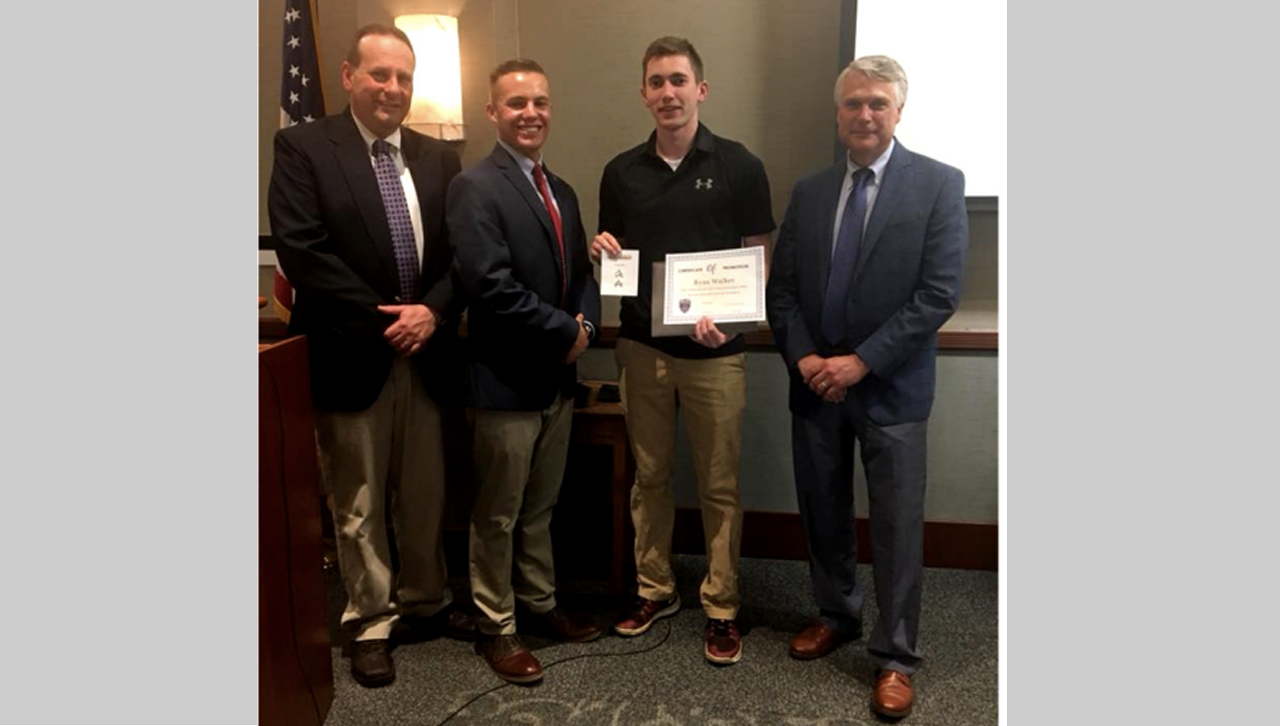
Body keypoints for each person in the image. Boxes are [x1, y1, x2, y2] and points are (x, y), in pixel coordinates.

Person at [268, 24, 476, 688]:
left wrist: (434, 312)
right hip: (350, 351)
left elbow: (459, 255)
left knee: (424, 490)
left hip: (428, 350)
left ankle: (424, 602)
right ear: (350, 74)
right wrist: (388, 319)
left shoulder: (439, 156)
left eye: (404, 79)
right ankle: (372, 619)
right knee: (355, 499)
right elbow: (303, 250)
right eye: (380, 74)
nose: (392, 89)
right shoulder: (303, 146)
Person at [765, 55, 968, 719]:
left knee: (897, 527)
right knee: (823, 512)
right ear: (838, 112)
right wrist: (804, 361)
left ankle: (896, 655)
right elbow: (785, 290)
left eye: (878, 103)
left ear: (899, 111)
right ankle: (837, 613)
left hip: (891, 389)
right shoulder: (812, 190)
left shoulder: (939, 184)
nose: (864, 115)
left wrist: (859, 362)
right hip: (814, 385)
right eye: (853, 103)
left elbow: (937, 294)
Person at [591, 36, 775, 666]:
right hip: (642, 349)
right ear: (643, 94)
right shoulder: (620, 172)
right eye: (656, 82)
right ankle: (655, 589)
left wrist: (734, 319)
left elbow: (759, 257)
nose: (667, 93)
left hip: (717, 356)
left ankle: (722, 604)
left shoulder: (740, 165)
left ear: (701, 89)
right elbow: (616, 255)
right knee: (649, 479)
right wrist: (603, 256)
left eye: (679, 80)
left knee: (720, 485)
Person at [448, 59, 604, 685]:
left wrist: (587, 327)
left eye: (540, 100)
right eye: (516, 103)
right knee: (499, 513)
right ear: (493, 112)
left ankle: (540, 605)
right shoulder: (475, 186)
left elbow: (585, 276)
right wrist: (565, 331)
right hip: (504, 381)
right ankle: (497, 624)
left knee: (541, 507)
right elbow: (489, 287)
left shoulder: (559, 189)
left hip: (556, 382)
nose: (531, 112)